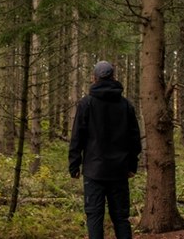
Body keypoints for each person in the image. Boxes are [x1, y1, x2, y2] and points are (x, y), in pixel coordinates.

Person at [69, 61, 142, 239]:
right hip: (119, 171)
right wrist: (132, 165)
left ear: (94, 78)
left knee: (94, 216)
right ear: (113, 77)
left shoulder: (86, 104)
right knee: (121, 218)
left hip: (94, 171)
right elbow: (135, 140)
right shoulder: (126, 105)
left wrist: (74, 165)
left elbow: (77, 136)